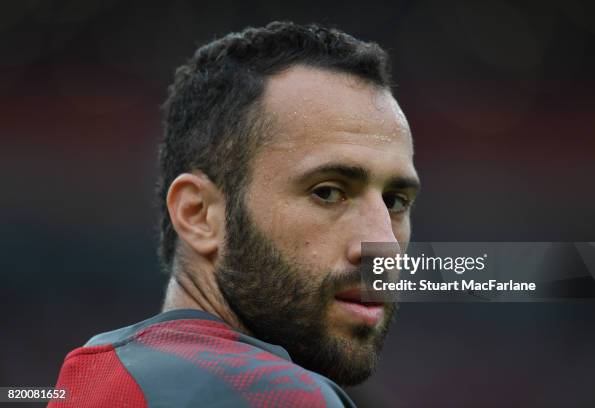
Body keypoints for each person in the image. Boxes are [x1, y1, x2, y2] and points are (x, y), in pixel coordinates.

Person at [50, 21, 420, 407]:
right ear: (199, 215)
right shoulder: (276, 394)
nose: (385, 247)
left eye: (395, 201)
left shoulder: (104, 380)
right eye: (327, 192)